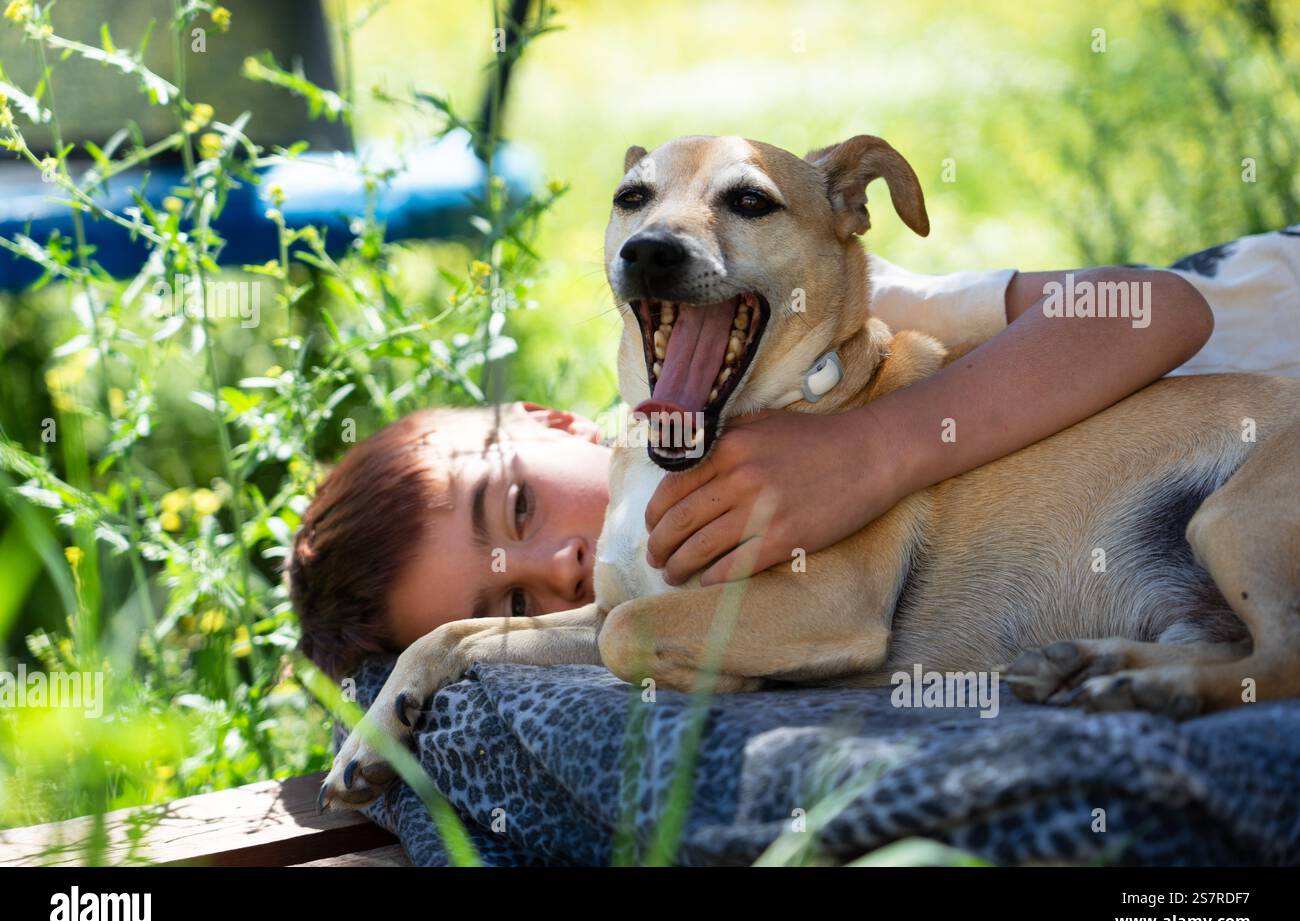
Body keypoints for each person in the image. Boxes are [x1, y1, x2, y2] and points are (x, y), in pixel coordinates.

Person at [289, 228, 1300, 681]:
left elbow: (1151, 309)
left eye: (515, 508)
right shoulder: (659, 602)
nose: (553, 560)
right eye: (509, 604)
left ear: (554, 421)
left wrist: (873, 445)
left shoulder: (807, 334)